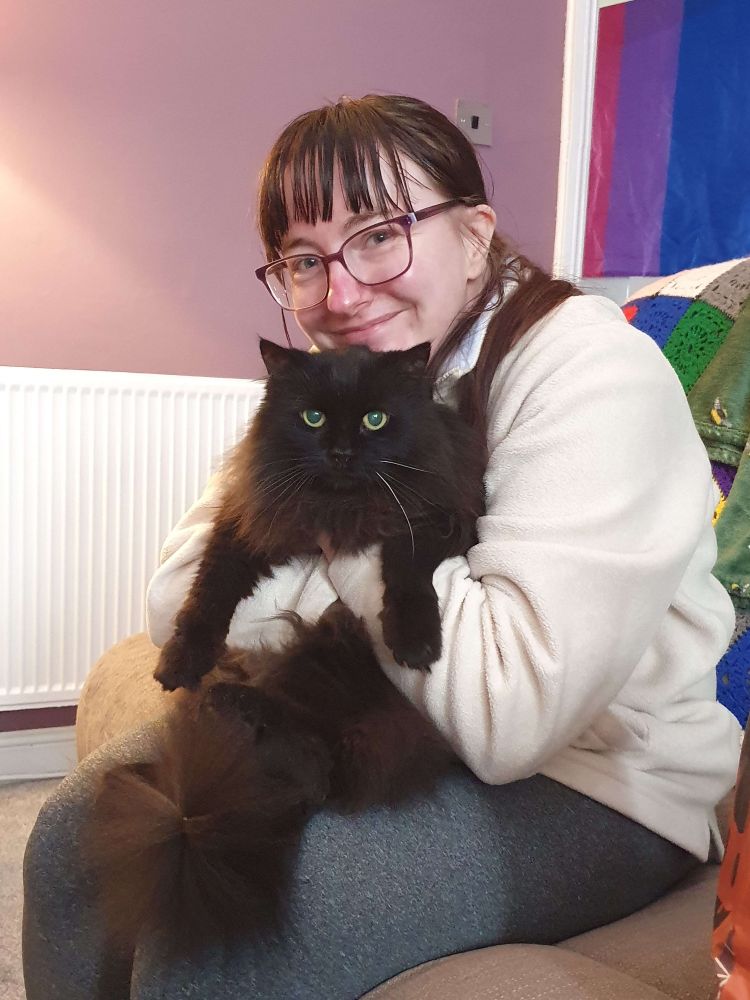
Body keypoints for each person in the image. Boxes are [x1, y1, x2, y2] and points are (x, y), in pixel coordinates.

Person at [24, 94, 742, 1000]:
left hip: (598, 783)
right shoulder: (338, 379)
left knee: (217, 921)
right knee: (71, 842)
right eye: (303, 260)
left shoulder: (592, 376)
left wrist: (333, 520)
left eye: (379, 235)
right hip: (379, 723)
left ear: (476, 234)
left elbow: (508, 711)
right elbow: (181, 603)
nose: (341, 290)